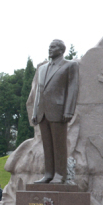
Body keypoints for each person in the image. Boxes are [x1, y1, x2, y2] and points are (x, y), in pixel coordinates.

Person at [30, 39, 79, 184]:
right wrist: (34, 112)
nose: (49, 50)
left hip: (58, 111)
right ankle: (48, 174)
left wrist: (69, 110)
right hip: (43, 112)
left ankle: (60, 175)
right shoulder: (42, 68)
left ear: (61, 50)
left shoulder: (70, 65)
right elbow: (39, 91)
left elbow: (73, 89)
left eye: (53, 47)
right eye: (49, 47)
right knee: (47, 145)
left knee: (59, 145)